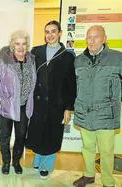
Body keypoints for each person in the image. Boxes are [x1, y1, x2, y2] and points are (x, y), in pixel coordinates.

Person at [25, 20, 76, 179]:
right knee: (39, 132)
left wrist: (68, 107)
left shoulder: (67, 56)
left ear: (60, 33)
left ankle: (46, 166)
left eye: (53, 31)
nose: (50, 35)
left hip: (57, 104)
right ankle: (38, 159)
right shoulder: (36, 51)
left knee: (52, 134)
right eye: (47, 32)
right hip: (38, 102)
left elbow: (71, 84)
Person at [73, 25, 122, 187]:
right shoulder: (79, 60)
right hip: (84, 112)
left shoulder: (117, 58)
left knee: (107, 151)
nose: (91, 41)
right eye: (88, 37)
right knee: (87, 147)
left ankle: (108, 182)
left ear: (104, 39)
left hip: (106, 114)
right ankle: (88, 175)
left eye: (96, 37)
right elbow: (74, 86)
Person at [0, 30, 36, 175]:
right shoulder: (3, 61)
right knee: (5, 136)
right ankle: (6, 162)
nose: (20, 47)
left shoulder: (32, 60)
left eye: (23, 43)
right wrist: (0, 101)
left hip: (23, 106)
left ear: (27, 45)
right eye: (17, 43)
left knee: (21, 136)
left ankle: (16, 161)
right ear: (12, 45)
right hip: (6, 108)